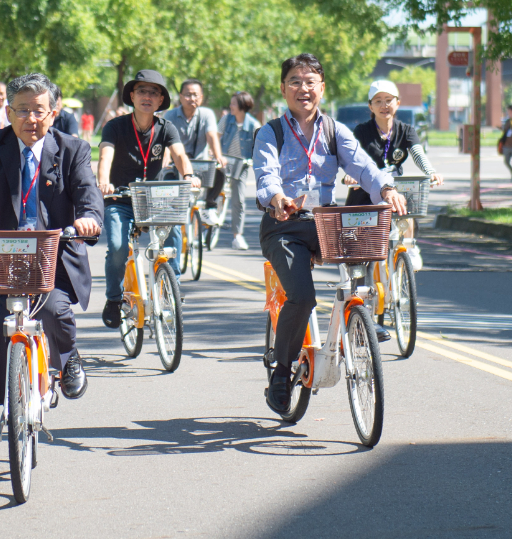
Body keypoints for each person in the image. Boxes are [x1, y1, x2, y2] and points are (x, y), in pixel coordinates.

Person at [0, 73, 103, 438]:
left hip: (55, 251)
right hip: (3, 255)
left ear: (53, 113)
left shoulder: (73, 149)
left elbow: (86, 190)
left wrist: (89, 219)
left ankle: (68, 356)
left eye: (39, 111)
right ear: (8, 112)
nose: (30, 119)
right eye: (22, 110)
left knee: (52, 309)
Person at [253, 53, 406, 415]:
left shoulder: (335, 130)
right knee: (302, 297)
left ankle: (361, 320)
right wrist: (277, 197)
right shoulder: (271, 131)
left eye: (310, 82)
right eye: (294, 81)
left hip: (325, 222)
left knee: (365, 240)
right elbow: (265, 174)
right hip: (283, 224)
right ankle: (282, 370)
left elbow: (365, 167)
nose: (302, 89)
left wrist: (387, 190)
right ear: (283, 88)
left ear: (321, 88)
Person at [96, 69, 201, 329]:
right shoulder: (115, 126)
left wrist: (188, 174)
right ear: (132, 95)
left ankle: (171, 285)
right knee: (119, 248)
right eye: (142, 91)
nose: (147, 96)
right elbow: (105, 156)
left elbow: (179, 155)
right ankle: (113, 299)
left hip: (151, 199)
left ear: (160, 100)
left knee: (174, 228)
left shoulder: (166, 127)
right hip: (120, 197)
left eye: (154, 92)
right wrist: (103, 181)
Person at [343, 80, 444, 271]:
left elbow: (418, 154)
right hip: (366, 188)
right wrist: (351, 175)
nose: (384, 105)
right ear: (370, 106)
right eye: (378, 101)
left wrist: (430, 172)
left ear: (398, 103)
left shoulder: (406, 130)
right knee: (357, 253)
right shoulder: (362, 131)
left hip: (394, 188)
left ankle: (410, 248)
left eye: (389, 100)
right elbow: (352, 158)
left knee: (406, 205)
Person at [163, 79, 226, 225]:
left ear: (201, 97)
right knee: (164, 176)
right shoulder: (170, 116)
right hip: (177, 164)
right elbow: (165, 141)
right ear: (180, 96)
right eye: (187, 94)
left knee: (220, 171)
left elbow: (211, 136)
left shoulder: (207, 114)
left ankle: (209, 206)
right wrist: (165, 157)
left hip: (200, 164)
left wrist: (218, 156)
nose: (192, 98)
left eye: (195, 95)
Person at [218, 91, 260, 250]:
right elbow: (215, 136)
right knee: (212, 195)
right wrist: (215, 153)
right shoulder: (225, 119)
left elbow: (258, 148)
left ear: (242, 106)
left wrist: (252, 161)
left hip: (240, 166)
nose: (230, 106)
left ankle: (238, 236)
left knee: (239, 201)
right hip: (222, 162)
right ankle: (204, 228)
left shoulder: (254, 125)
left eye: (233, 104)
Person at [501, 104, 512, 178]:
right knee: (506, 161)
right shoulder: (507, 121)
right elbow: (505, 131)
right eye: (508, 111)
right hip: (507, 145)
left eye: (509, 111)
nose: (508, 113)